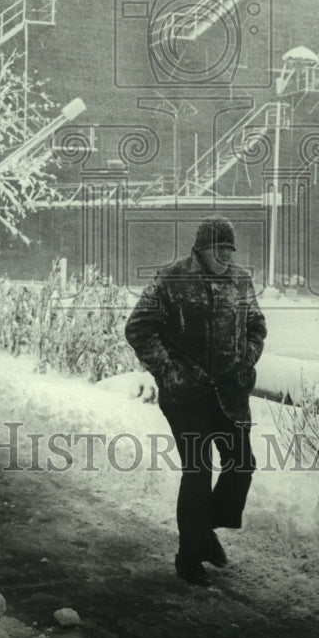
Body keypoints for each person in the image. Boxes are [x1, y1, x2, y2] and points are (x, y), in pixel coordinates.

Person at [125, 216, 267, 586]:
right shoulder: (172, 279)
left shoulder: (240, 280)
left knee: (241, 465)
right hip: (187, 396)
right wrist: (168, 370)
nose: (225, 255)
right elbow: (138, 326)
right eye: (219, 248)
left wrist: (246, 358)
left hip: (229, 393)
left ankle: (202, 530)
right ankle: (189, 558)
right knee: (198, 471)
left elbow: (256, 326)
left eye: (229, 249)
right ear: (201, 248)